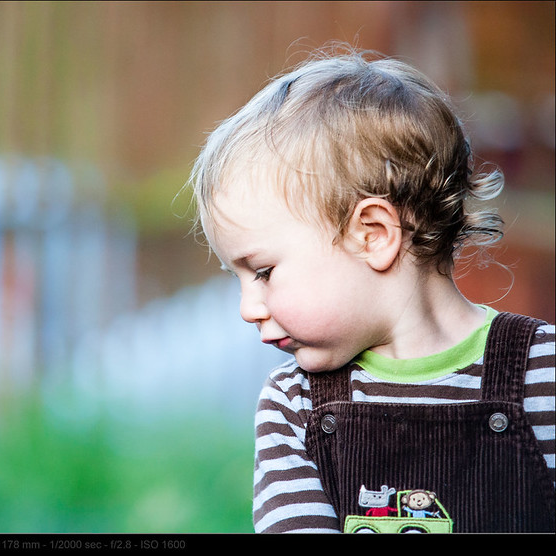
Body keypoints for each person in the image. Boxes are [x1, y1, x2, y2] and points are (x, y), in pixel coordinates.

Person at [186, 46, 555, 533]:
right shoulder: (295, 407)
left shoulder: (541, 372)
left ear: (374, 235)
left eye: (264, 272)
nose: (247, 309)